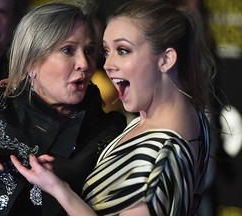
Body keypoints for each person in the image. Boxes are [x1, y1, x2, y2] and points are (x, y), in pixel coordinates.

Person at [11, 0, 217, 215]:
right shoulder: (172, 118)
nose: (107, 64)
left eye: (123, 50)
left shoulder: (161, 155)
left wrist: (60, 190)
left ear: (166, 59)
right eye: (107, 51)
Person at [0, 2, 126, 215]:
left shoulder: (107, 132)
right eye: (67, 50)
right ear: (31, 62)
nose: (84, 63)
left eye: (89, 50)